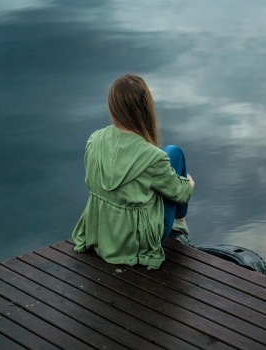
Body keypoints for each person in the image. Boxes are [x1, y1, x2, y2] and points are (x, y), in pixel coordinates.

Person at [71, 74, 195, 270]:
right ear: (145, 109)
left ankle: (178, 222)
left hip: (103, 232)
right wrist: (188, 183)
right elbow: (182, 193)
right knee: (174, 152)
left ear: (113, 107)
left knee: (167, 158)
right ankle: (179, 223)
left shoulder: (94, 140)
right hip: (136, 242)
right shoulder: (153, 157)